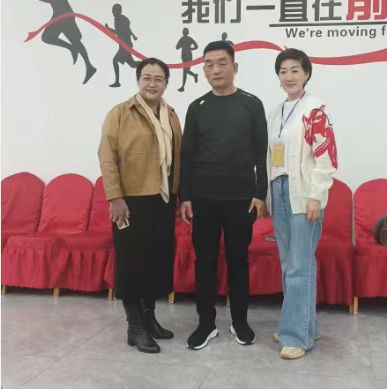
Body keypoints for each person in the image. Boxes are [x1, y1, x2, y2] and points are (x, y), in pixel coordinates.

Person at [180, 40, 268, 350]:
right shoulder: (197, 107)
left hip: (241, 199)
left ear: (235, 67)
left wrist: (260, 193)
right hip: (203, 198)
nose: (215, 70)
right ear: (204, 70)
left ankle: (240, 321)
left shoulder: (251, 104)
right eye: (209, 64)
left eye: (221, 63)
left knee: (238, 260)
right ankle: (206, 323)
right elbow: (187, 155)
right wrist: (185, 197)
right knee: (204, 261)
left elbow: (261, 152)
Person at [98, 58, 181, 354]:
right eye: (147, 77)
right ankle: (134, 327)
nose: (152, 83)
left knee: (156, 262)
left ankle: (149, 319)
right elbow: (107, 156)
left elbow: (178, 157)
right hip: (130, 200)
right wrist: (115, 197)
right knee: (131, 263)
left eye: (159, 78)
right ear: (138, 80)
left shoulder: (171, 114)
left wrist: (180, 195)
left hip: (163, 198)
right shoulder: (121, 113)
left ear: (166, 83)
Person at [267, 48, 337, 360]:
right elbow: (270, 156)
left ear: (306, 73)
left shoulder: (315, 109)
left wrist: (316, 196)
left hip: (303, 193)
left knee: (299, 265)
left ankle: (296, 336)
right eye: (283, 71)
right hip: (279, 190)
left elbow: (326, 155)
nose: (289, 77)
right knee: (289, 264)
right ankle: (305, 324)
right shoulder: (276, 112)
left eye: (295, 70)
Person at [29, 0, 97, 84]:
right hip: (59, 14)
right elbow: (51, 0)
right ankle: (84, 61)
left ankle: (87, 64)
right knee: (53, 38)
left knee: (69, 40)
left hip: (64, 14)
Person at [105, 3, 140, 88]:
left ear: (117, 11)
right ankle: (146, 63)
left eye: (113, 11)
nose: (112, 13)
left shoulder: (120, 20)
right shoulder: (121, 19)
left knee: (115, 60)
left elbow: (120, 32)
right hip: (124, 45)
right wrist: (133, 35)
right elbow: (126, 30)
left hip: (125, 45)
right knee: (132, 64)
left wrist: (109, 29)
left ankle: (117, 82)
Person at [176, 27, 199, 92]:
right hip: (184, 57)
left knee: (185, 71)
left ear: (187, 32)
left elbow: (196, 46)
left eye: (185, 31)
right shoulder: (182, 39)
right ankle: (194, 75)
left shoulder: (189, 39)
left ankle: (183, 87)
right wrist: (181, 46)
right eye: (184, 31)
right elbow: (177, 47)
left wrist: (190, 49)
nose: (184, 33)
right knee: (185, 71)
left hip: (188, 56)